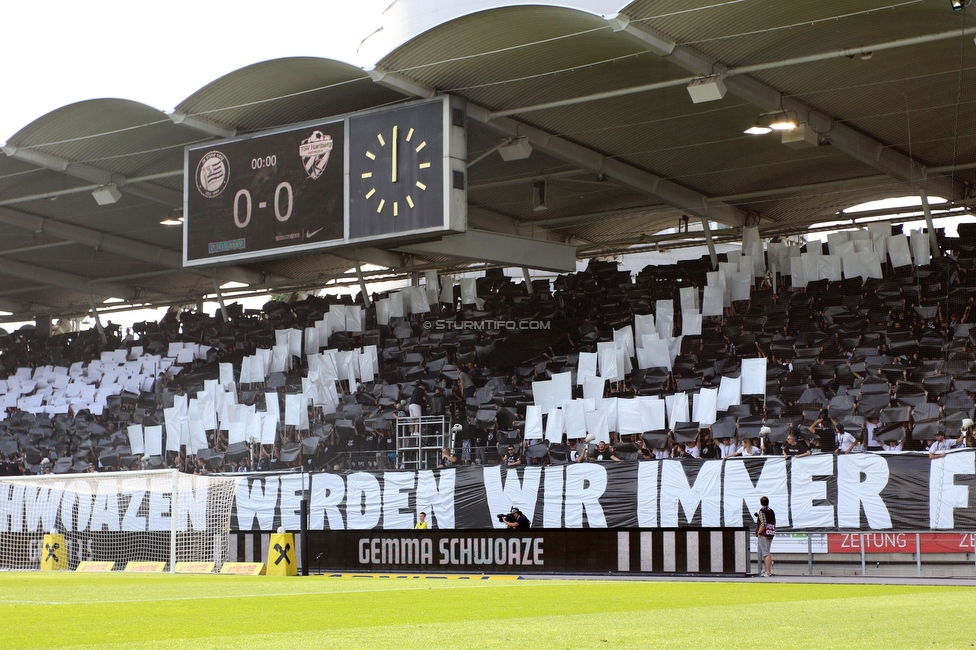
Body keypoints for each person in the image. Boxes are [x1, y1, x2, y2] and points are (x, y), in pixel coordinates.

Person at [756, 496, 776, 577]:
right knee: (767, 551)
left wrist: (759, 532)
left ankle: (767, 571)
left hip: (764, 533)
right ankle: (768, 571)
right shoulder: (771, 511)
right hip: (770, 532)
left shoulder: (762, 511)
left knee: (766, 553)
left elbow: (763, 524)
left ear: (761, 503)